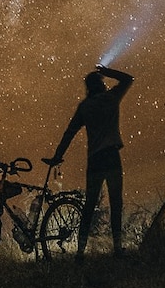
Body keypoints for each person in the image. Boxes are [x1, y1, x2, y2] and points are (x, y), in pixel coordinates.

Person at [47, 64, 134, 258]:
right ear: (101, 84)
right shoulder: (111, 98)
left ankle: (80, 250)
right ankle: (117, 247)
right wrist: (107, 71)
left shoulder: (85, 107)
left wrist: (57, 156)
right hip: (111, 156)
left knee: (89, 205)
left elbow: (69, 133)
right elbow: (128, 79)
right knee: (116, 202)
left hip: (95, 159)